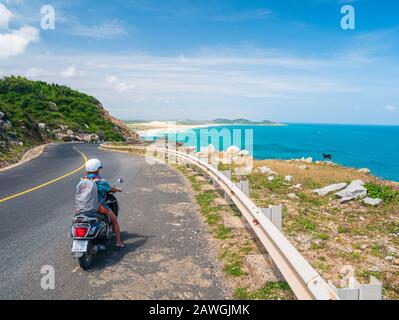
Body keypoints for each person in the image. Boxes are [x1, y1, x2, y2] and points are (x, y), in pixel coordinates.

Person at [84, 158, 125, 249]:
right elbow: (110, 189)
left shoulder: (83, 180)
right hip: (98, 206)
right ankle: (118, 242)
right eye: (99, 168)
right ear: (96, 169)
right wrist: (118, 189)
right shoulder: (99, 181)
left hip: (83, 206)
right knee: (114, 220)